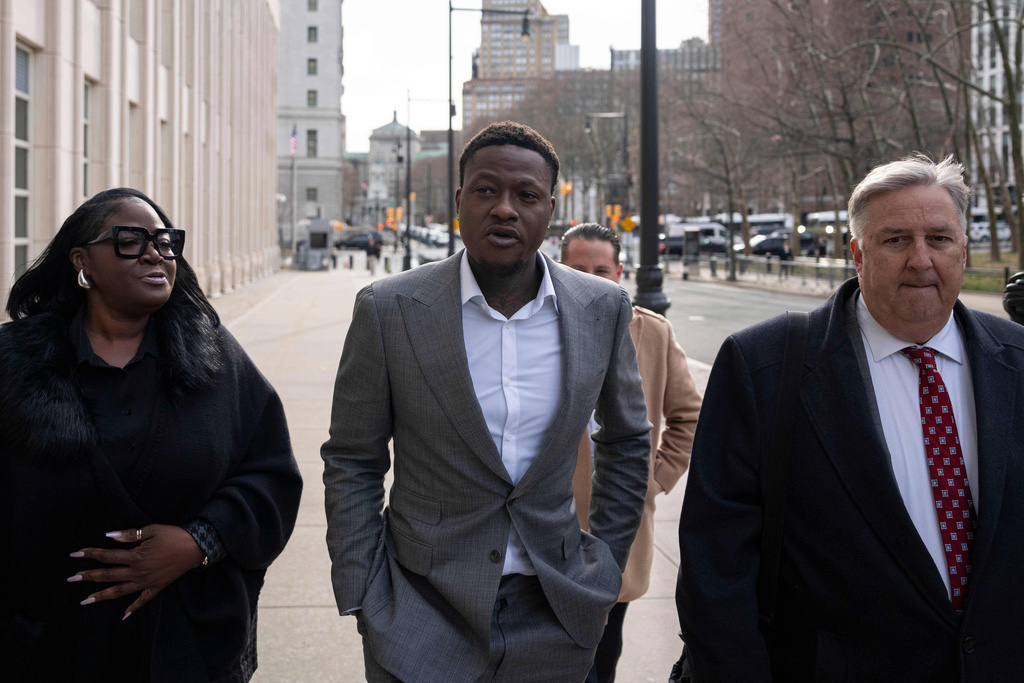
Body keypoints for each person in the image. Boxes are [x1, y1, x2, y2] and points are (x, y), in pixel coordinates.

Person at [322, 121, 652, 682]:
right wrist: (364, 592)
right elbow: (353, 458)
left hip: (556, 612)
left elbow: (625, 439)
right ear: (459, 202)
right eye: (485, 191)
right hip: (419, 614)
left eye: (525, 195)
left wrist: (605, 565)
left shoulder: (602, 309)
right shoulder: (389, 309)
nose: (504, 209)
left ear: (550, 209)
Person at [676, 155, 1024, 680]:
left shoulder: (1018, 360)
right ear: (857, 253)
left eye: (940, 238)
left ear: (964, 249)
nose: (921, 260)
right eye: (896, 240)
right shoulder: (764, 366)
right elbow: (716, 567)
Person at [0, 188, 303, 681]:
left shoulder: (213, 360)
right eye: (130, 240)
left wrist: (197, 542)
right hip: (47, 645)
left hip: (183, 647)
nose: (154, 252)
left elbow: (271, 476)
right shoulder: (15, 365)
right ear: (83, 262)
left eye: (165, 242)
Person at [560, 224, 702, 683]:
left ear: (619, 273)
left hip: (616, 523)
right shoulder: (536, 326)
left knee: (603, 649)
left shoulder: (653, 332)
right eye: (578, 269)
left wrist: (652, 481)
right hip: (547, 520)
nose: (592, 279)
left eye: (602, 270)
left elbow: (688, 417)